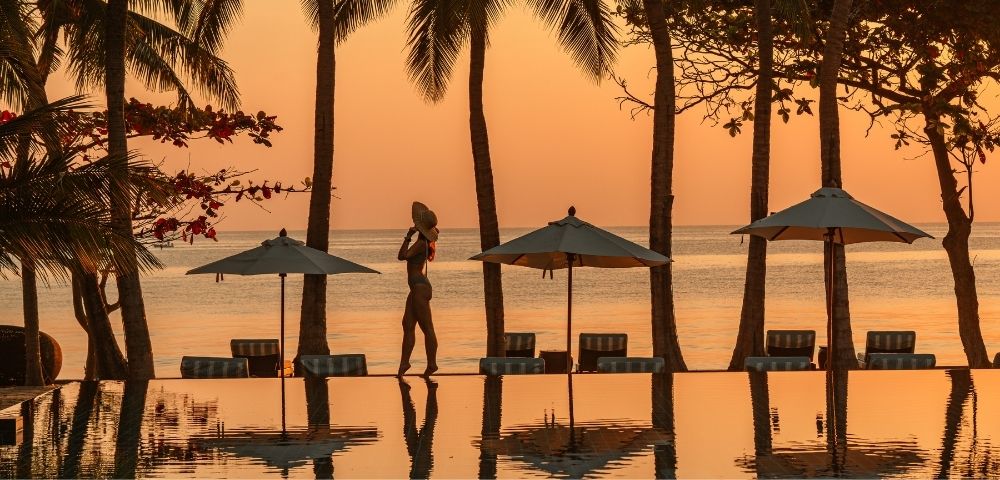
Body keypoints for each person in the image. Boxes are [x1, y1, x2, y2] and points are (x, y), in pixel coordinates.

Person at [397, 202, 439, 376]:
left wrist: (407, 236)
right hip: (416, 287)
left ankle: (432, 364)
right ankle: (404, 363)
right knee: (407, 324)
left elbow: (402, 256)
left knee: (427, 328)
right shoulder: (423, 242)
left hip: (420, 287)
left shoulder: (421, 243)